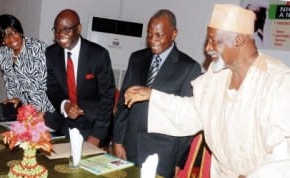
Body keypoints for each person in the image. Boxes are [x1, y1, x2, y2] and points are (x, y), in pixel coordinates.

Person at [124, 4, 290, 178]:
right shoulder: (216, 77)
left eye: (214, 40)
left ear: (238, 40)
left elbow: (285, 158)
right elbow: (193, 112)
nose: (207, 48)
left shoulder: (278, 82)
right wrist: (153, 96)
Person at [113, 9, 201, 178]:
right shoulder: (137, 58)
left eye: (159, 35)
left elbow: (187, 120)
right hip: (130, 146)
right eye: (149, 34)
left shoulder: (189, 67)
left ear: (174, 34)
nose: (153, 40)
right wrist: (117, 140)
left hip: (163, 153)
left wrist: (178, 161)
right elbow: (123, 103)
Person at [46, 9, 115, 147]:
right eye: (57, 30)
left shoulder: (98, 55)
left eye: (66, 30)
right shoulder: (51, 53)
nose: (60, 35)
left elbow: (107, 98)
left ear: (79, 29)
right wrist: (64, 105)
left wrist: (96, 136)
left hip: (93, 124)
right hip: (64, 122)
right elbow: (52, 87)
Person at [0, 14, 61, 130]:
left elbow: (50, 84)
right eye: (5, 36)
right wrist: (15, 98)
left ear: (20, 31)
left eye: (14, 32)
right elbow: (10, 82)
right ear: (1, 40)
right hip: (25, 112)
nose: (12, 39)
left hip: (48, 111)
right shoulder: (3, 54)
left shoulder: (36, 48)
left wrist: (44, 113)